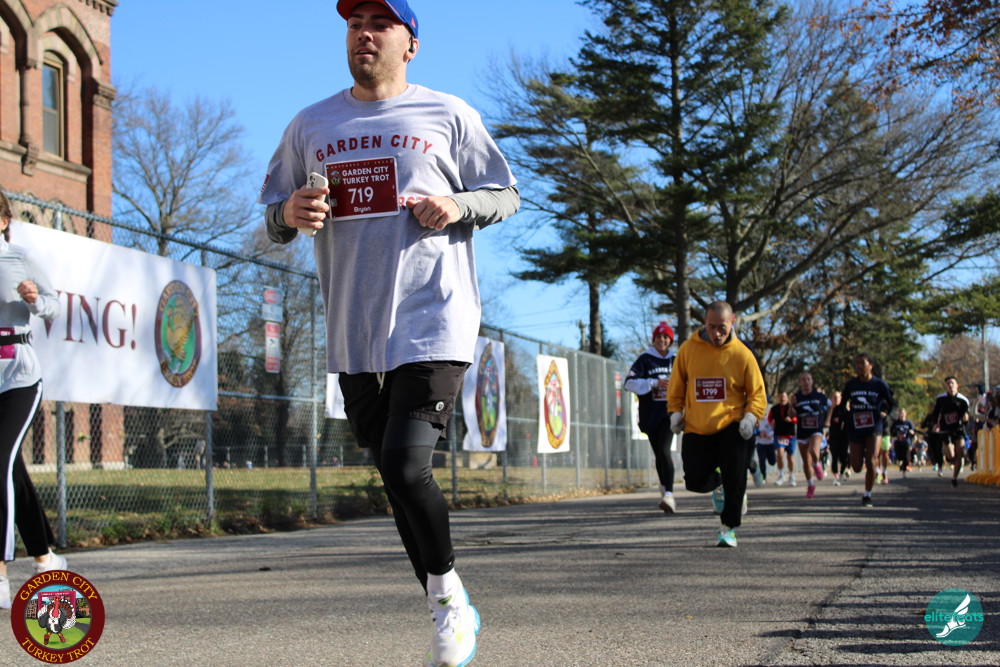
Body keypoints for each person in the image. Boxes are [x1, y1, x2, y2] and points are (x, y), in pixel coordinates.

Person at [258, 3, 519, 664]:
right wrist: (290, 212)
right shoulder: (311, 124)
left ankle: (449, 603)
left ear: (411, 43)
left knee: (406, 465)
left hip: (434, 315)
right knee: (395, 477)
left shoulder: (448, 114)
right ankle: (444, 600)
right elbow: (273, 217)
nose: (364, 33)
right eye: (354, 23)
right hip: (355, 326)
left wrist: (455, 204)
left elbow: (505, 193)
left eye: (380, 22)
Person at [0, 188, 68, 611]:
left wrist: (34, 299)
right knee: (11, 469)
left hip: (18, 374)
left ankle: (0, 573)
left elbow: (54, 306)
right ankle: (45, 558)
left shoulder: (20, 258)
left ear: (3, 221)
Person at [667, 302, 766, 548]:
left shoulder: (742, 354)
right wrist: (675, 413)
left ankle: (728, 528)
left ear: (733, 321)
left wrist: (751, 417)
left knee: (736, 477)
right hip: (697, 427)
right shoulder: (688, 350)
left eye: (722, 327)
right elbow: (676, 387)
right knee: (694, 481)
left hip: (732, 424)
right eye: (711, 327)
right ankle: (718, 484)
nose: (717, 333)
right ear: (705, 323)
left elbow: (758, 394)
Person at [624, 321, 678, 513]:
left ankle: (669, 494)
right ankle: (664, 487)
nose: (662, 340)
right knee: (658, 453)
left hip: (669, 414)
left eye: (665, 337)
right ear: (653, 339)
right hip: (650, 414)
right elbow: (629, 383)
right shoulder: (645, 359)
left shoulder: (676, 360)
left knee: (664, 450)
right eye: (658, 337)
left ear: (670, 340)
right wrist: (654, 383)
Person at [841, 353, 895, 507]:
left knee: (871, 460)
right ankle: (870, 472)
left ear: (871, 365)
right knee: (856, 466)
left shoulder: (879, 384)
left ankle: (867, 495)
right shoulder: (851, 385)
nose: (859, 367)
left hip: (874, 425)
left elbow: (892, 403)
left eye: (862, 363)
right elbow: (842, 404)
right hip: (856, 426)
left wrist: (886, 414)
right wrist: (845, 415)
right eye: (857, 364)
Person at [920, 376, 970, 488]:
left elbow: (966, 415)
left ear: (957, 385)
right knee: (951, 455)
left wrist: (966, 419)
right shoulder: (941, 399)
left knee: (960, 452)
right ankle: (950, 458)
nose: (950, 385)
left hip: (958, 429)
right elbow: (935, 413)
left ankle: (954, 478)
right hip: (945, 429)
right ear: (946, 386)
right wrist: (935, 424)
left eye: (952, 383)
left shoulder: (963, 400)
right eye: (948, 383)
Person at [790, 373, 832, 498]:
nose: (806, 382)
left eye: (808, 379)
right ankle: (811, 485)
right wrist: (792, 405)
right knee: (805, 461)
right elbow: (791, 415)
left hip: (816, 429)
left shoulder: (819, 396)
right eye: (803, 380)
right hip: (802, 431)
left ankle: (816, 464)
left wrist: (828, 419)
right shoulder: (797, 397)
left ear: (812, 381)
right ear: (800, 382)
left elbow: (830, 405)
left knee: (814, 450)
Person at [768, 392, 797, 486]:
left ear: (787, 398)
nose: (782, 399)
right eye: (781, 397)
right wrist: (771, 422)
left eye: (784, 397)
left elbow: (797, 418)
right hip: (779, 435)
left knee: (790, 457)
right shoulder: (774, 408)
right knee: (779, 455)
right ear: (778, 398)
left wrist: (792, 420)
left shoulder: (792, 408)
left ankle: (792, 476)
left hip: (790, 435)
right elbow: (769, 418)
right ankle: (781, 475)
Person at [828, 391, 851, 485]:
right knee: (834, 456)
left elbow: (848, 418)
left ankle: (842, 472)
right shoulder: (829, 410)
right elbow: (826, 421)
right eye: (834, 397)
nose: (836, 399)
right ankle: (835, 476)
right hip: (833, 437)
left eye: (838, 397)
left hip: (844, 437)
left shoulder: (844, 409)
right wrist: (831, 409)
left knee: (844, 457)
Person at [889, 408, 916, 479]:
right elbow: (891, 431)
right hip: (898, 441)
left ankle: (904, 470)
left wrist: (911, 432)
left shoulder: (908, 422)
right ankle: (901, 464)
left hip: (906, 441)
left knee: (906, 457)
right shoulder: (895, 422)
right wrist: (896, 435)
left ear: (905, 413)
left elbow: (913, 431)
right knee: (899, 456)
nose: (901, 414)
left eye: (902, 413)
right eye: (900, 413)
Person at [755, 413, 776, 484]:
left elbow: (775, 429)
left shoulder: (769, 420)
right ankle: (763, 477)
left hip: (770, 443)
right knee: (762, 460)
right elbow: (753, 431)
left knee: (772, 462)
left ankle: (773, 458)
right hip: (760, 444)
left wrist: (769, 435)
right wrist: (759, 434)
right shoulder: (756, 421)